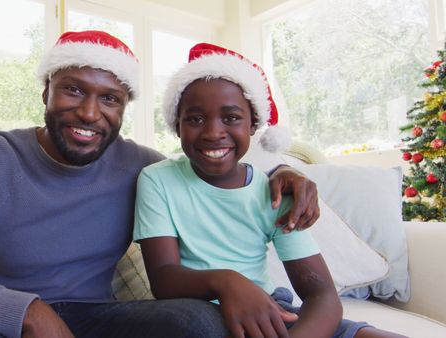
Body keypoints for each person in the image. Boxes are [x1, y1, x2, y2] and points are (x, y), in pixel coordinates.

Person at [0, 31, 320, 338]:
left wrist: (282, 173)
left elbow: (212, 167)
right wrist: (25, 311)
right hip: (5, 326)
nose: (90, 113)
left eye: (110, 99)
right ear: (46, 92)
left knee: (197, 322)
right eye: (74, 89)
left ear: (123, 108)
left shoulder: (141, 168)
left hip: (101, 319)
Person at [133, 42, 406, 338]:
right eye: (196, 119)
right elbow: (163, 279)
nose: (213, 132)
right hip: (196, 315)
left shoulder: (276, 192)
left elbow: (322, 297)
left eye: (231, 117)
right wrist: (228, 282)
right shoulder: (157, 180)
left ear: (253, 124)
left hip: (270, 311)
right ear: (177, 126)